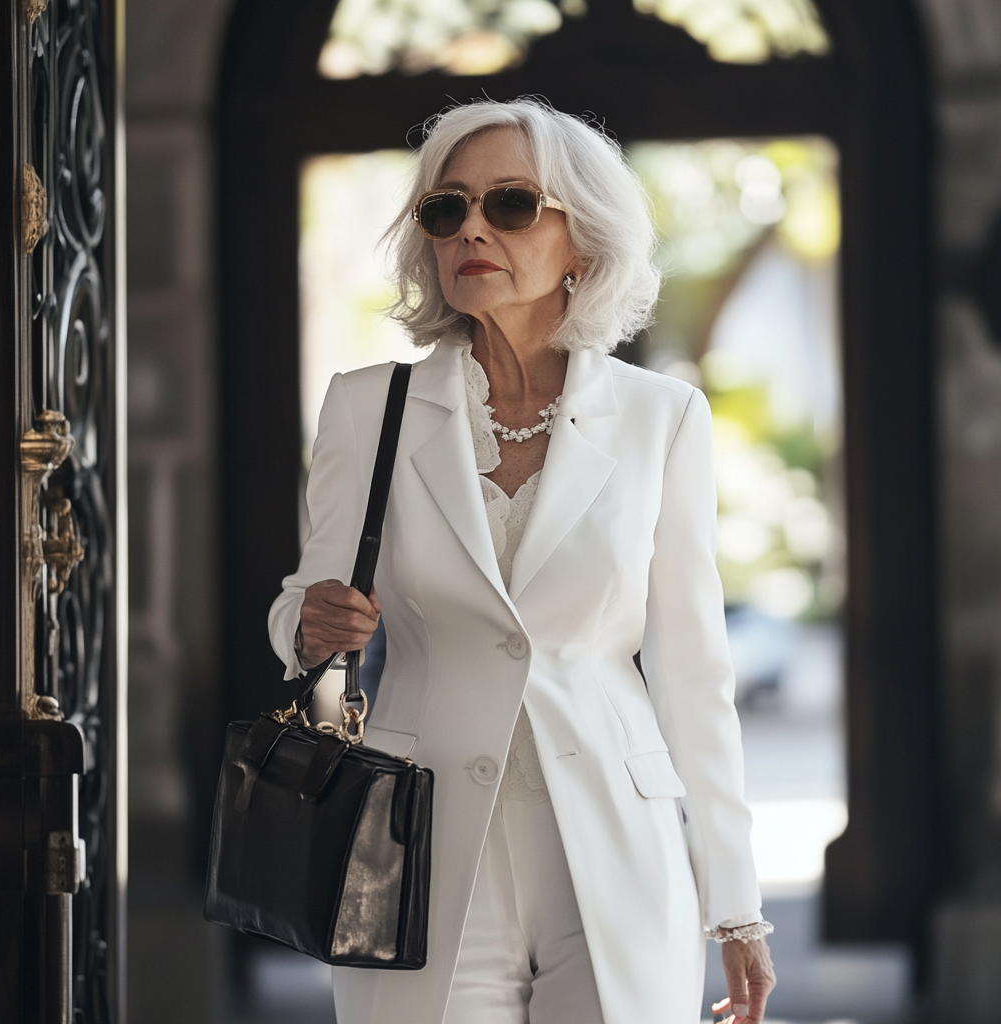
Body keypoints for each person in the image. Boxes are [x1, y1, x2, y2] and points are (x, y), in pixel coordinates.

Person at [269, 97, 776, 1024]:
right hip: (412, 848)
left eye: (508, 205)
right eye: (444, 209)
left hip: (617, 850)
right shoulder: (365, 408)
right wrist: (309, 624)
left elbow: (695, 673)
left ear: (582, 239)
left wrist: (735, 903)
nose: (471, 229)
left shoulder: (665, 420)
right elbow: (308, 603)